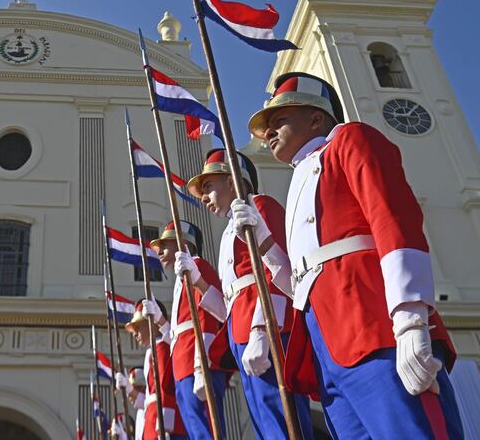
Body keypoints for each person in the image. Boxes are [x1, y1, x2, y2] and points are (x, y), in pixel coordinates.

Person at [245, 71, 463, 438]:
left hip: (372, 321)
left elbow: (394, 217)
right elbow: (300, 281)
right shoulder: (298, 178)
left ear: (316, 117)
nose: (268, 131)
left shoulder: (348, 138)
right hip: (324, 338)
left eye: (279, 119)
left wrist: (411, 317)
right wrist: (262, 240)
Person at [180, 149, 313, 439]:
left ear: (232, 182)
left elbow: (274, 272)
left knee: (282, 417)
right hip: (240, 330)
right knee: (263, 420)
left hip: (265, 327)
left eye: (208, 187)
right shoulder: (229, 230)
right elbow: (230, 301)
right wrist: (199, 282)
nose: (203, 198)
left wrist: (262, 329)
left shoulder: (259, 206)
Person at [149, 220, 229, 440]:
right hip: (183, 363)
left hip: (196, 361)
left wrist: (201, 364)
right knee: (195, 430)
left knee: (206, 430)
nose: (160, 251)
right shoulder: (180, 278)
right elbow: (178, 333)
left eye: (166, 244)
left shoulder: (197, 266)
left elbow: (207, 318)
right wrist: (161, 323)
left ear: (184, 243)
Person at [122, 299, 187, 440]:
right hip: (153, 419)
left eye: (138, 326)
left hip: (160, 420)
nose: (135, 333)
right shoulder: (154, 349)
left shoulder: (161, 347)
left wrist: (165, 423)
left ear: (153, 324)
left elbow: (164, 386)